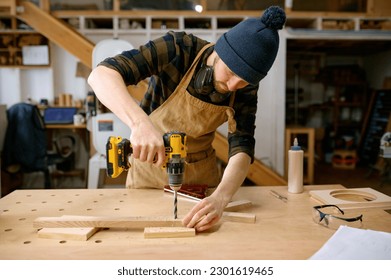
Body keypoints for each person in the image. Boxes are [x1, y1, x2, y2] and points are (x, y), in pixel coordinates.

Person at [88, 6, 286, 232]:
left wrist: (221, 198)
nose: (232, 87)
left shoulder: (245, 87)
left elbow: (242, 146)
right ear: (220, 52)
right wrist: (140, 124)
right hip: (150, 171)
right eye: (230, 73)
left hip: (202, 177)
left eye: (243, 82)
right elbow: (101, 75)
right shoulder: (178, 49)